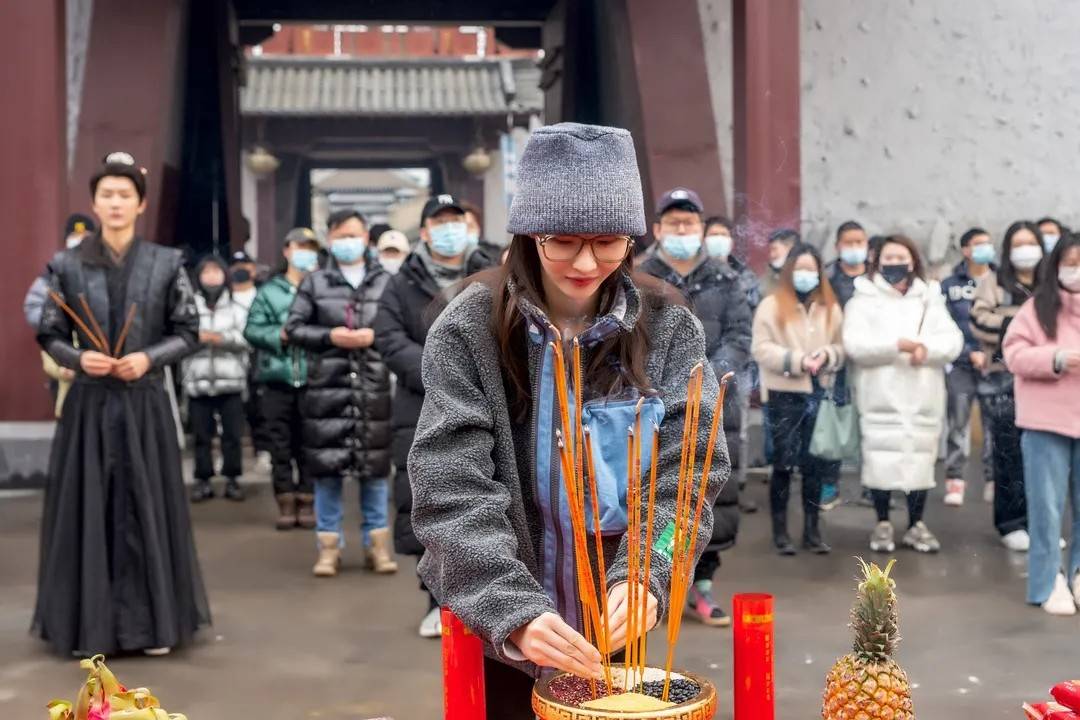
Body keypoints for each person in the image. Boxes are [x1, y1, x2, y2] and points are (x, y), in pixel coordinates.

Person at [408, 123, 727, 718]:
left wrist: (648, 572)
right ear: (528, 234)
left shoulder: (669, 330)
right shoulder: (468, 329)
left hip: (615, 625)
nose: (586, 262)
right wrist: (512, 610)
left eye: (608, 242)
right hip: (499, 629)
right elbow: (451, 489)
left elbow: (687, 484)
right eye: (563, 241)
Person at [35, 151, 209, 656]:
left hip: (143, 402)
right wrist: (77, 356)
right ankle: (84, 627)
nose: (115, 203)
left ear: (140, 204)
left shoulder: (166, 262)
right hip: (88, 407)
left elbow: (188, 330)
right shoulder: (65, 265)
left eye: (124, 195)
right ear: (94, 202)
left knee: (145, 507)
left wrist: (148, 359)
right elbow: (48, 331)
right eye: (106, 194)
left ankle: (151, 626)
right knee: (87, 508)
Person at [374, 193, 497, 638]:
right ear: (424, 232)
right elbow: (387, 337)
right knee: (432, 495)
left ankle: (495, 601)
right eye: (439, 222)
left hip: (490, 399)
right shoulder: (402, 281)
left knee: (487, 492)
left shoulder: (492, 270)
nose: (449, 229)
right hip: (420, 402)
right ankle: (437, 602)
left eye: (455, 220)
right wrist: (440, 367)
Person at [640, 188, 751, 626]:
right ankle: (652, 584)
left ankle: (702, 584)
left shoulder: (727, 279)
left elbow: (741, 337)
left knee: (709, 495)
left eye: (689, 223)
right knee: (661, 493)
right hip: (656, 405)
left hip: (717, 404)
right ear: (657, 230)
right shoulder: (640, 278)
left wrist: (705, 380)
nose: (682, 231)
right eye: (674, 223)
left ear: (702, 229)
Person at [285, 209, 397, 577]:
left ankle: (377, 546)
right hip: (327, 389)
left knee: (375, 470)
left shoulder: (386, 280)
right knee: (327, 471)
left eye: (354, 235)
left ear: (367, 238)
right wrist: (329, 336)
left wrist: (374, 337)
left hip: (372, 385)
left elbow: (400, 327)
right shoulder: (315, 281)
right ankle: (328, 546)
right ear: (330, 239)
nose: (348, 241)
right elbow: (294, 328)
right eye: (340, 235)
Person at [843, 234, 963, 554]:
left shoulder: (929, 299)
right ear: (877, 262)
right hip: (880, 394)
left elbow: (952, 341)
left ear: (913, 261)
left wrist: (928, 350)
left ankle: (915, 524)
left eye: (902, 258)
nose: (895, 264)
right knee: (880, 460)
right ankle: (882, 522)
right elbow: (855, 344)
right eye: (889, 258)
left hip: (923, 394)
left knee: (919, 462)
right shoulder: (863, 301)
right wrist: (895, 346)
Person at [1002, 233, 1080, 616]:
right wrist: (1058, 358)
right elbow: (1013, 354)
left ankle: (1078, 574)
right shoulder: (1037, 308)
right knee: (1047, 509)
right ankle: (1048, 581)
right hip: (1046, 421)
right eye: (1071, 262)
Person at [752, 243, 844, 556]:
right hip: (783, 393)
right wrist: (796, 360)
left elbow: (842, 348)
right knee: (783, 464)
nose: (806, 275)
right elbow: (761, 348)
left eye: (811, 268)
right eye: (800, 268)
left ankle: (812, 530)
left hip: (817, 391)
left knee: (814, 463)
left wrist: (826, 355)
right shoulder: (772, 305)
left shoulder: (830, 306)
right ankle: (780, 531)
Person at [970, 221, 1044, 551]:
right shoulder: (994, 282)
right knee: (1008, 453)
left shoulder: (1051, 284)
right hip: (1004, 378)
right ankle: (1010, 522)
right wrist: (1017, 325)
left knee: (1043, 456)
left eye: (1031, 242)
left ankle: (1038, 522)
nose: (1025, 249)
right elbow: (978, 320)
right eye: (1018, 243)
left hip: (1044, 381)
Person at [243, 227, 321, 530]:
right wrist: (280, 335)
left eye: (310, 247)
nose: (304, 252)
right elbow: (251, 329)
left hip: (313, 378)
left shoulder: (319, 287)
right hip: (277, 378)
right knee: (280, 444)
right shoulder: (269, 291)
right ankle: (285, 501)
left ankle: (308, 500)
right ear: (286, 251)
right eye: (299, 246)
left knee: (310, 444)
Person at [183, 255, 251, 502]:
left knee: (232, 435)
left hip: (230, 381)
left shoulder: (236, 307)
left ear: (225, 275)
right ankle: (202, 480)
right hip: (198, 381)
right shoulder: (188, 307)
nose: (211, 277)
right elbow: (179, 339)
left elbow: (247, 339)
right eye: (206, 272)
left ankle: (233, 479)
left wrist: (220, 339)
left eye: (216, 272)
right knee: (201, 435)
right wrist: (197, 339)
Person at [940, 228, 996, 507]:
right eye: (979, 244)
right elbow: (944, 324)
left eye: (988, 243)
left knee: (993, 425)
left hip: (994, 365)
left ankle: (993, 481)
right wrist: (968, 352)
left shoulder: (1001, 282)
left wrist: (990, 354)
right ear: (965, 250)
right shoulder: (950, 284)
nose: (986, 248)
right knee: (958, 423)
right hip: (961, 365)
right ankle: (955, 479)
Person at [761, 228, 800, 297]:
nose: (771, 255)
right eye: (770, 250)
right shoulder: (771, 275)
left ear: (790, 248)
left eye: (775, 249)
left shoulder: (807, 277)